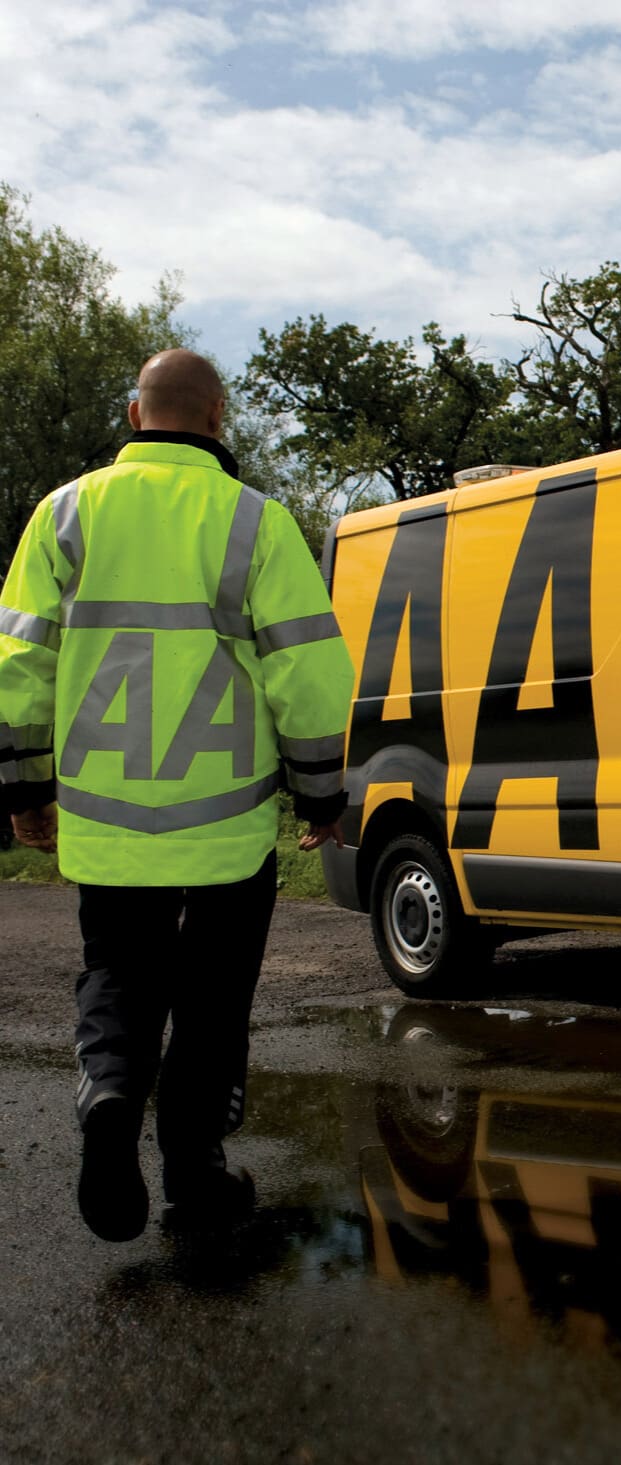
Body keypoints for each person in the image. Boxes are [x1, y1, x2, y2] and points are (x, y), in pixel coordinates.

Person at [0, 349, 357, 1242]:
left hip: (106, 820)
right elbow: (308, 675)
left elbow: (18, 667)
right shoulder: (256, 523)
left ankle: (110, 1094)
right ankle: (194, 1169)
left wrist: (24, 788)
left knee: (118, 970)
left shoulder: (64, 514)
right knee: (213, 995)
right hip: (228, 827)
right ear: (217, 417)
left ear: (133, 413)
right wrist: (320, 796)